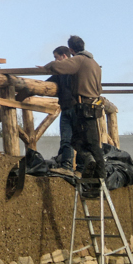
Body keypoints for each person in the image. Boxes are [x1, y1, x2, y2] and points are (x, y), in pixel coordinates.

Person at [42, 35, 105, 179]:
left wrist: (48, 67)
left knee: (76, 141)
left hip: (83, 106)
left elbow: (58, 66)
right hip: (94, 106)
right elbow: (99, 88)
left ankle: (95, 171)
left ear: (70, 49)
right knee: (92, 142)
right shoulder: (94, 63)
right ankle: (97, 174)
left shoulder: (79, 60)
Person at [47, 46, 75, 174]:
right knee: (66, 139)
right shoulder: (60, 74)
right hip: (65, 108)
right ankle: (66, 166)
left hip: (76, 108)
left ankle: (79, 167)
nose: (55, 61)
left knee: (79, 140)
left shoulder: (74, 68)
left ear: (64, 56)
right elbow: (47, 83)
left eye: (56, 57)